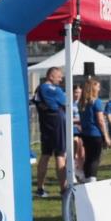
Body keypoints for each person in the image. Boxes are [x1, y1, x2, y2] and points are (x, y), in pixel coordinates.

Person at [33, 67, 68, 197]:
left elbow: (37, 102)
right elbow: (66, 103)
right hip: (57, 123)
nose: (61, 79)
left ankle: (40, 188)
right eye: (59, 76)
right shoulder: (56, 90)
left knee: (45, 155)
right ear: (51, 76)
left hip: (45, 124)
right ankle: (64, 189)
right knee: (60, 155)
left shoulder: (39, 89)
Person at [78, 78, 110, 183]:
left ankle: (86, 177)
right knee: (95, 158)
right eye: (98, 86)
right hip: (95, 133)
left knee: (88, 157)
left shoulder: (82, 102)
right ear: (93, 87)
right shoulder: (97, 102)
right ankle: (92, 179)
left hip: (85, 134)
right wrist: (106, 136)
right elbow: (100, 120)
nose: (99, 88)